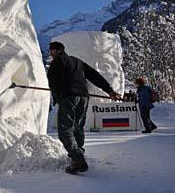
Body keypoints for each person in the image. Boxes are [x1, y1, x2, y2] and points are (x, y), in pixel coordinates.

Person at [47, 41, 122, 174]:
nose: (50, 53)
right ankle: (77, 154)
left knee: (65, 130)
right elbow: (94, 76)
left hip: (68, 97)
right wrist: (109, 90)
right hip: (83, 97)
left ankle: (78, 159)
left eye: (51, 50)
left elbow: (52, 82)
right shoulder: (77, 61)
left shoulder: (57, 62)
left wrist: (58, 98)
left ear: (58, 51)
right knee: (77, 127)